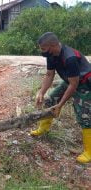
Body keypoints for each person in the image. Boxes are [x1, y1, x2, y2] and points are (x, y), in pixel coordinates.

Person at [31, 32, 91, 163]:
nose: (42, 52)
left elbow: (74, 85)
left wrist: (60, 105)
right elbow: (49, 75)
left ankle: (89, 152)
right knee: (50, 100)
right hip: (71, 81)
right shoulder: (51, 55)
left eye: (43, 48)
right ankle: (43, 129)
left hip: (84, 84)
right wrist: (41, 92)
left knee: (85, 116)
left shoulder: (70, 57)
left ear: (52, 45)